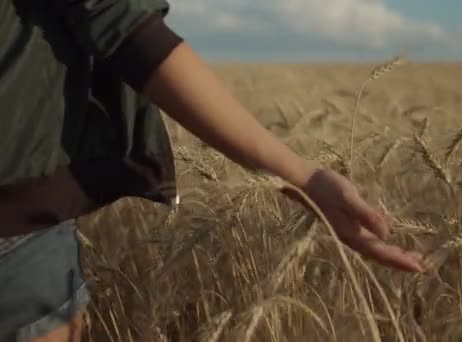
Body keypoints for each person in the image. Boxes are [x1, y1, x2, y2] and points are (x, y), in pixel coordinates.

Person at [0, 1, 426, 340]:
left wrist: (302, 178)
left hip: (19, 233)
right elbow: (123, 23)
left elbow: (119, 21)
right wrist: (301, 176)